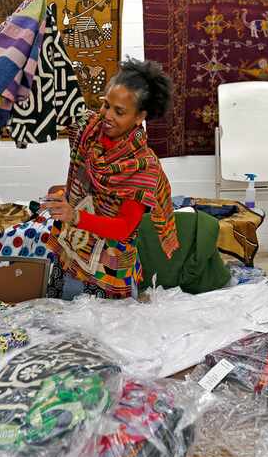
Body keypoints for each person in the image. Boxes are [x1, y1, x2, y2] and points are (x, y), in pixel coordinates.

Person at [43, 58, 179, 300]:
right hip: (70, 253)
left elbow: (124, 228)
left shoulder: (142, 167)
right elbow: (53, 103)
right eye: (106, 105)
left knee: (99, 335)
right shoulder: (88, 130)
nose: (106, 116)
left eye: (119, 112)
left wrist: (75, 216)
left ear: (140, 117)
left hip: (107, 273)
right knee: (62, 329)